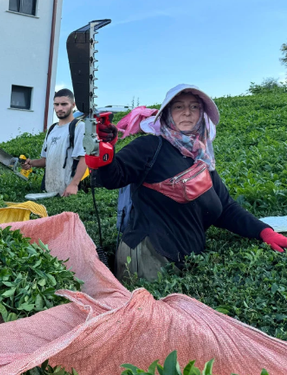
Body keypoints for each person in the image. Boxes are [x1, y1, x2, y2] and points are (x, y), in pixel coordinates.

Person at [86, 84, 287, 281]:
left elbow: (226, 207)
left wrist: (263, 231)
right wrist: (103, 153)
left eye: (194, 107)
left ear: (202, 114)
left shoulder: (202, 156)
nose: (187, 113)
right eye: (179, 107)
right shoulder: (150, 146)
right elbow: (113, 177)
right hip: (148, 260)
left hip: (188, 262)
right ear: (167, 114)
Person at [21, 89, 87, 197]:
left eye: (64, 104)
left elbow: (84, 158)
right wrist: (31, 163)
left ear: (73, 105)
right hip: (48, 191)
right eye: (56, 104)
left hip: (68, 192)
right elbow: (45, 160)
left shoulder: (79, 127)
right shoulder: (52, 129)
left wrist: (74, 184)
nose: (60, 108)